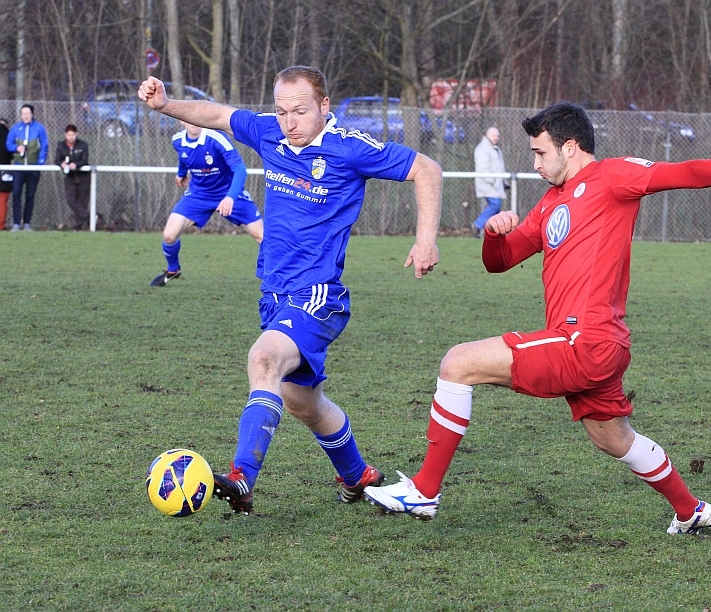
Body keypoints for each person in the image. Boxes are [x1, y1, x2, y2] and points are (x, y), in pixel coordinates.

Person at [364, 102, 711, 534]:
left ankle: (424, 490)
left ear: (569, 147)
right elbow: (501, 261)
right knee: (614, 439)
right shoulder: (552, 201)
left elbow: (684, 173)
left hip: (585, 341)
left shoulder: (613, 176)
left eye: (540, 153)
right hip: (595, 346)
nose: (535, 164)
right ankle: (690, 509)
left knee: (458, 363)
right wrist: (493, 235)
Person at [137, 66, 442, 514]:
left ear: (324, 106)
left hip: (318, 294)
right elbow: (218, 115)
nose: (288, 122)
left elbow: (427, 169)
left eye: (299, 111)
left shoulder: (349, 147)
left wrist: (425, 240)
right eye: (281, 111)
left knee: (263, 358)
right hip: (274, 294)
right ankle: (357, 475)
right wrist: (166, 106)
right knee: (302, 401)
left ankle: (242, 478)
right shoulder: (270, 133)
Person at [149, 120, 264, 286]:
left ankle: (278, 276)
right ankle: (173, 269)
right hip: (199, 195)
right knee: (169, 236)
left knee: (262, 236)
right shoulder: (177, 140)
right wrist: (181, 173)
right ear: (181, 120)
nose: (193, 121)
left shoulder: (216, 138)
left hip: (228, 192)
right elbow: (184, 157)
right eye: (188, 117)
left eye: (196, 117)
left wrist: (230, 197)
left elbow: (240, 169)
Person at [5, 104, 48, 232]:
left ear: (32, 114)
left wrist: (40, 163)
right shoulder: (15, 128)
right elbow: (8, 144)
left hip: (33, 168)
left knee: (30, 195)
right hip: (18, 167)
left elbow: (44, 146)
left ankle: (27, 224)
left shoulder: (39, 128)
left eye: (27, 113)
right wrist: (16, 148)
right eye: (23, 113)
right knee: (16, 194)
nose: (25, 116)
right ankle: (16, 224)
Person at [55, 124, 91, 230]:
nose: (71, 137)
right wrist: (62, 164)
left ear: (77, 134)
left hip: (83, 177)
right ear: (65, 135)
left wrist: (76, 164)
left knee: (82, 202)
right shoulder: (61, 146)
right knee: (71, 200)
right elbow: (57, 160)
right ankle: (89, 217)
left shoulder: (83, 145)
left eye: (73, 135)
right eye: (68, 135)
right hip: (70, 177)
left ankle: (78, 226)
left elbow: (84, 160)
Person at [471, 126, 506, 237]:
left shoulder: (494, 148)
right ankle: (477, 225)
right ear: (487, 135)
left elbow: (499, 167)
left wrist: (504, 182)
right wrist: (493, 181)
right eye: (494, 136)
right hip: (488, 184)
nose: (496, 138)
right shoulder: (482, 148)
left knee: (496, 209)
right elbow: (483, 168)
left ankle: (493, 233)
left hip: (496, 184)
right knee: (495, 204)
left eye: (497, 136)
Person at [0, 119, 12, 230]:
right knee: (2, 199)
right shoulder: (8, 135)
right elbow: (11, 152)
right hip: (5, 169)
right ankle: (1, 225)